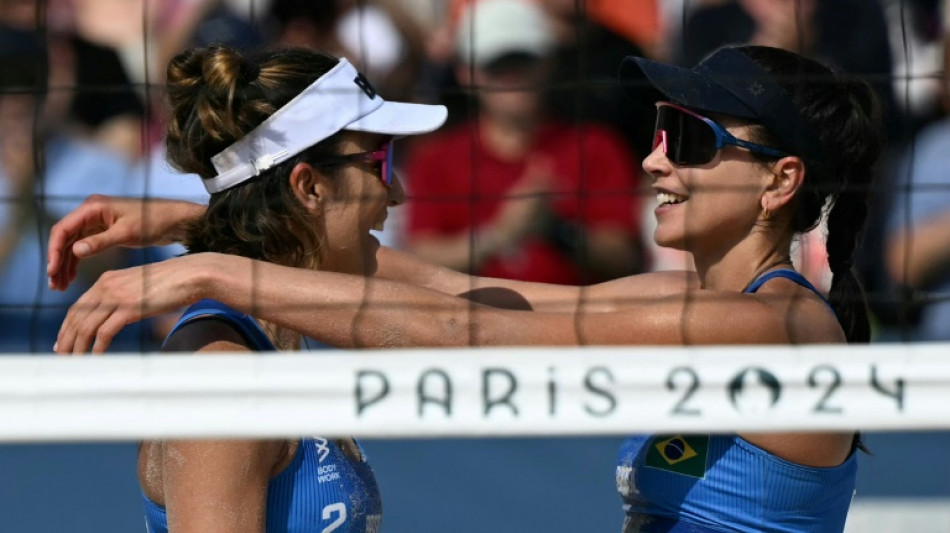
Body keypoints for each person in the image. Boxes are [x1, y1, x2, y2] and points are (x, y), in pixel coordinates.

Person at [50, 45, 881, 532]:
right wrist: (197, 222)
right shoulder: (693, 312)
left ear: (781, 182)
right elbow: (453, 290)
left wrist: (209, 263)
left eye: (690, 139)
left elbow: (466, 334)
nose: (655, 157)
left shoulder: (778, 329)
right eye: (659, 131)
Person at [103, 44, 446, 532]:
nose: (397, 191)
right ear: (308, 188)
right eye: (381, 161)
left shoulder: (280, 338)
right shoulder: (220, 371)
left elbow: (465, 306)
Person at [405, 0, 643, 284]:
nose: (511, 77)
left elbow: (624, 256)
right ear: (466, 74)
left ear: (549, 63)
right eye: (496, 65)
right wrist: (497, 236)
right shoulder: (436, 158)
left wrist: (559, 230)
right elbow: (418, 257)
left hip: (572, 319)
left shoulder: (596, 146)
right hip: (474, 316)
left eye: (523, 61)